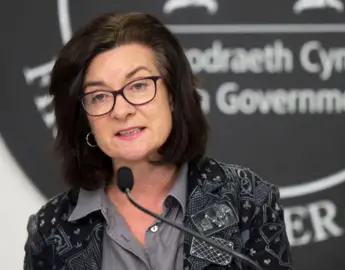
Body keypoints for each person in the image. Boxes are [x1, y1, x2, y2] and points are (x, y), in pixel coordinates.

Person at [23, 12, 292, 270]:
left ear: (172, 95)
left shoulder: (248, 200)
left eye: (139, 85)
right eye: (100, 96)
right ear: (85, 119)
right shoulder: (52, 229)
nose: (122, 110)